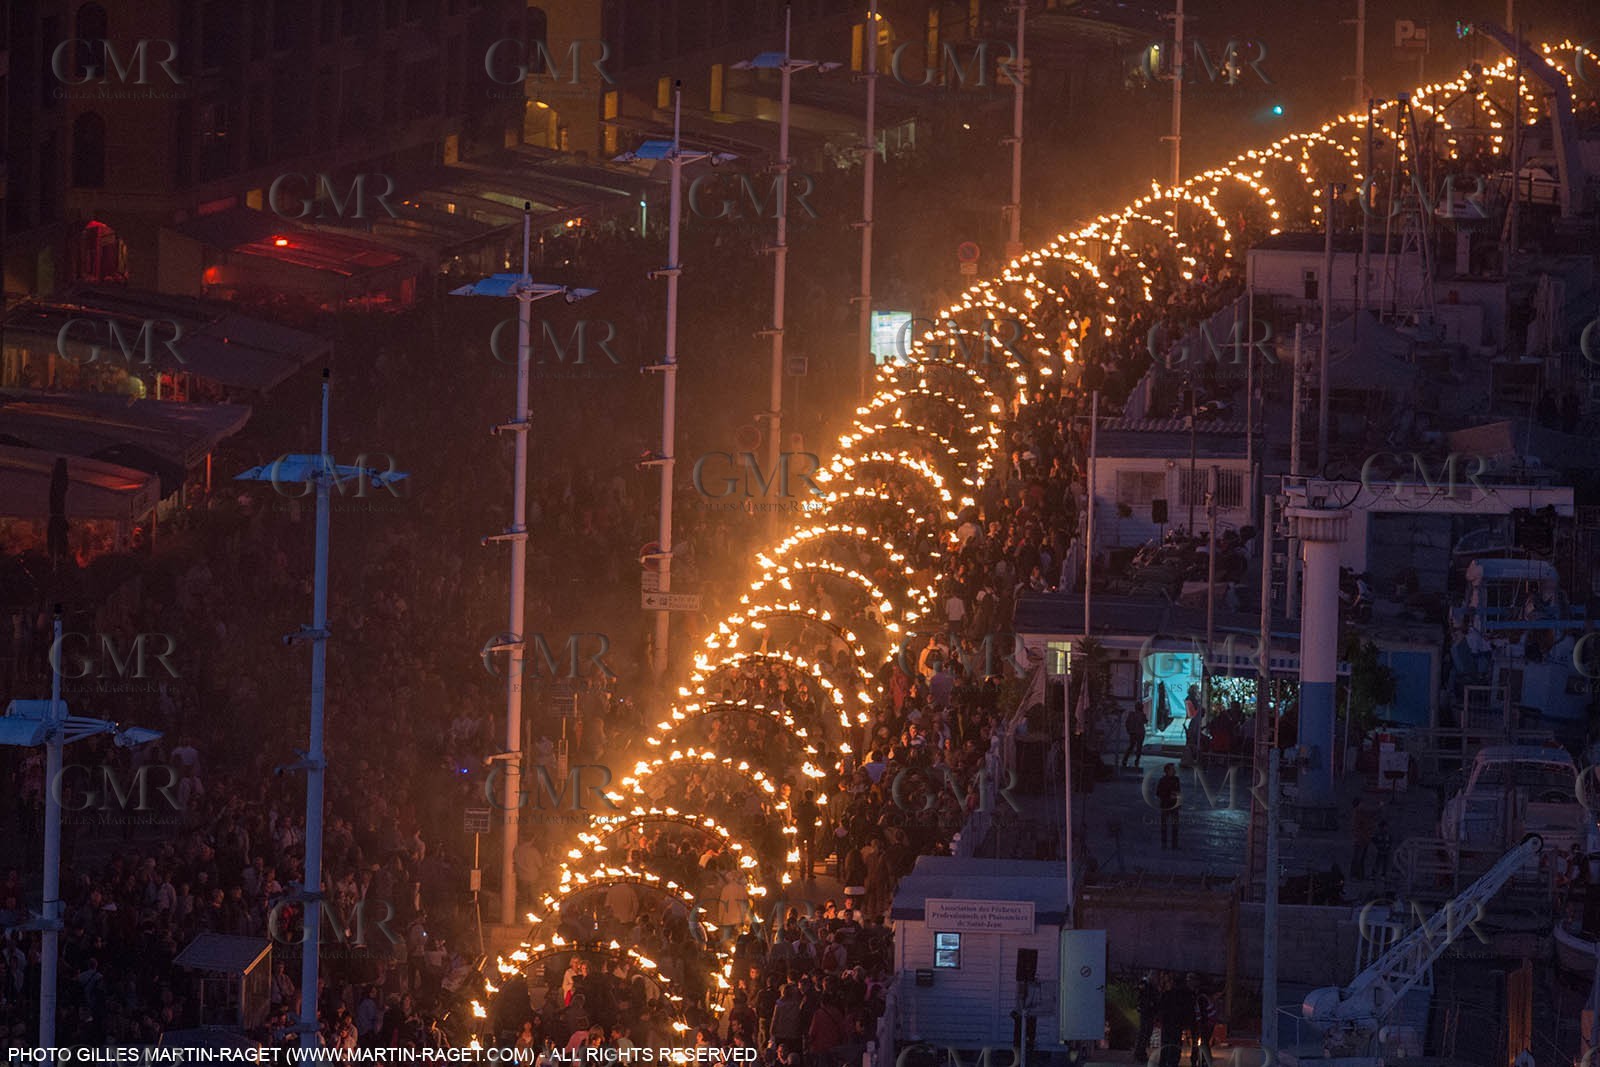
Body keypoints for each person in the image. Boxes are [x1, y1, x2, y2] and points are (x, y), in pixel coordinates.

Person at [795, 790, 822, 879]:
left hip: (801, 831)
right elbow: (819, 815)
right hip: (810, 831)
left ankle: (802, 872)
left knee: (801, 851)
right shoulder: (814, 807)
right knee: (810, 853)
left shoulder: (800, 805)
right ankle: (810, 873)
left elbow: (795, 815)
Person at [1156, 764, 1182, 850]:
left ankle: (1174, 844)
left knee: (1175, 826)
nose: (1174, 771)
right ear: (1167, 771)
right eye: (1172, 770)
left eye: (1174, 769)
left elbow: (1178, 791)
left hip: (1174, 805)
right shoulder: (1162, 780)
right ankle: (1164, 843)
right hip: (1165, 805)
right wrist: (1168, 795)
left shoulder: (1176, 779)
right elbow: (1158, 793)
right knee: (1164, 826)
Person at [1350, 798, 1376, 880]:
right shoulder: (1360, 813)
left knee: (1359, 858)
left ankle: (1358, 875)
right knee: (1359, 858)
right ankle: (1356, 875)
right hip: (1362, 839)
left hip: (1362, 838)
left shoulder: (1359, 813)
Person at [1123, 699, 1148, 770]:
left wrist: (1129, 730)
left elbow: (1127, 723)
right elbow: (1145, 721)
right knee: (1139, 748)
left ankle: (1125, 760)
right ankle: (1137, 761)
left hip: (1133, 732)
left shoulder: (1131, 714)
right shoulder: (1142, 715)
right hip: (1140, 733)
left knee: (1131, 746)